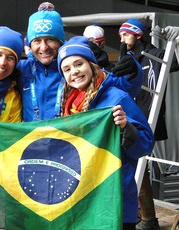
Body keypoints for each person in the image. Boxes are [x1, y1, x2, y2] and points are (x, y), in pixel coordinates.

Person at [0, 3, 142, 122]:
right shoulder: (21, 68)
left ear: (60, 41)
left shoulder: (74, 71)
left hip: (68, 145)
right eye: (37, 41)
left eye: (50, 39)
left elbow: (122, 88)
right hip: (30, 147)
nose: (43, 47)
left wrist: (133, 71)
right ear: (30, 44)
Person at [57, 35, 155, 230]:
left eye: (79, 64)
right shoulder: (64, 104)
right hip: (80, 199)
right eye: (66, 69)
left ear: (92, 65)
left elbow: (146, 143)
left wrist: (126, 128)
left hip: (114, 199)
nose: (74, 72)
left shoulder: (116, 97)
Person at [118, 18, 179, 230]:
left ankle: (147, 217)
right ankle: (142, 215)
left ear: (138, 34)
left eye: (126, 34)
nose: (122, 38)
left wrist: (177, 40)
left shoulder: (155, 55)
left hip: (146, 120)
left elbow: (175, 62)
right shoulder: (128, 57)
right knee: (132, 165)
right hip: (130, 117)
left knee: (139, 166)